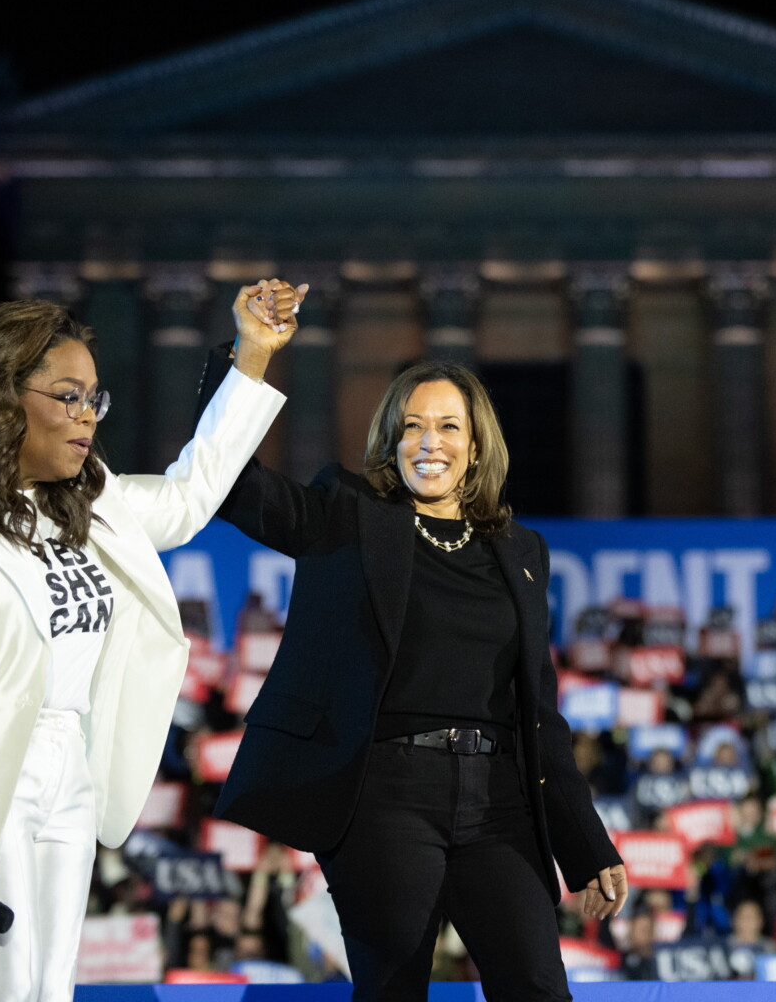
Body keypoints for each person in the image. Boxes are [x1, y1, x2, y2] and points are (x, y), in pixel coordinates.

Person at [0, 282, 301, 1001]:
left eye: (96, 398)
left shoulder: (91, 505)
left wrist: (251, 357)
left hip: (69, 777)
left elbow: (192, 495)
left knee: (49, 993)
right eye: (68, 396)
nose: (88, 416)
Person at [205, 349, 626, 1000]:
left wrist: (586, 842)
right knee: (395, 988)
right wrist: (251, 360)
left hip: (499, 802)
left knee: (539, 986)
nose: (430, 442)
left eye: (449, 426)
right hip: (385, 797)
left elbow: (539, 712)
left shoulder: (521, 552)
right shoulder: (348, 516)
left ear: (478, 443)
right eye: (411, 426)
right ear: (390, 441)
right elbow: (235, 488)